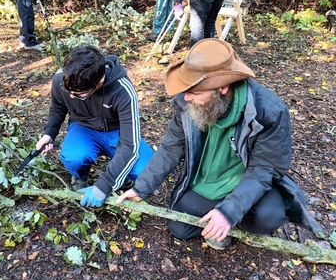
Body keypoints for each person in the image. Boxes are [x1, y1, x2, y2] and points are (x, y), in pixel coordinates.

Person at [117, 39, 322, 250]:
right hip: (209, 180)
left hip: (248, 180)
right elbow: (171, 147)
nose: (186, 98)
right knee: (181, 228)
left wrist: (229, 212)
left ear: (222, 87)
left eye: (195, 93)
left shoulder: (269, 111)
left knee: (268, 216)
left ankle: (230, 216)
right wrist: (141, 188)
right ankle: (221, 215)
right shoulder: (188, 102)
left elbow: (265, 168)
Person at [35, 45, 155, 207]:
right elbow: (58, 106)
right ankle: (80, 176)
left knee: (147, 172)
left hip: (116, 133)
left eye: (78, 94)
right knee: (73, 156)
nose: (71, 96)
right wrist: (49, 134)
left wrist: (103, 187)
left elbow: (129, 145)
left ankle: (121, 174)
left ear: (99, 83)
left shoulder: (123, 90)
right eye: (68, 90)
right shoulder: (61, 79)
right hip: (83, 128)